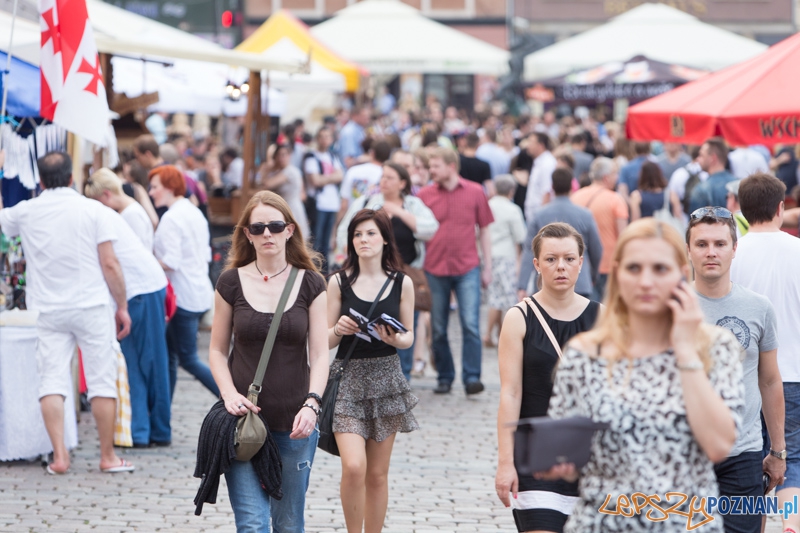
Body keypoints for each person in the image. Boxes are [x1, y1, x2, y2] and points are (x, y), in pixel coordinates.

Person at [542, 218, 744, 532]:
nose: (646, 282)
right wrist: (558, 462)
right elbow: (566, 452)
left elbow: (718, 445)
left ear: (680, 271)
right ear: (619, 273)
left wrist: (686, 352)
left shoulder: (715, 347)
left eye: (660, 269)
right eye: (634, 269)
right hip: (603, 522)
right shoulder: (586, 353)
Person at [0, 151, 134, 474]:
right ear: (72, 178)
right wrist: (123, 305)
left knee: (51, 381)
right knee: (102, 381)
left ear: (41, 181)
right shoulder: (93, 210)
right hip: (91, 305)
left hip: (48, 308)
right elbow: (110, 263)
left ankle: (60, 457)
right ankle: (107, 457)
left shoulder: (27, 211)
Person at [208, 191, 328, 533]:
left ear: (289, 230)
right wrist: (229, 395)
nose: (266, 234)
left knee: (289, 524)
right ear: (247, 233)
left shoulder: (311, 283)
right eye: (257, 228)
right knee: (252, 524)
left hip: (295, 425)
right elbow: (216, 350)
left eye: (275, 226)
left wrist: (313, 404)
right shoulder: (230, 282)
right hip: (243, 425)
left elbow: (320, 354)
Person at [496, 222, 601, 533]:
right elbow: (510, 393)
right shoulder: (519, 317)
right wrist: (505, 462)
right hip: (535, 458)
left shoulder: (601, 317)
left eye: (569, 259)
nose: (561, 267)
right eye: (551, 259)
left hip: (590, 459)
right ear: (537, 265)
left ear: (581, 263)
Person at [686, 206, 784, 533]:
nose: (711, 252)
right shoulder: (666, 308)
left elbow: (769, 380)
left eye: (719, 244)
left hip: (742, 452)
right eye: (701, 244)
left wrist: (778, 450)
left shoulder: (758, 307)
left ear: (734, 249)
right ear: (689, 251)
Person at [327, 209, 418, 533]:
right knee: (354, 466)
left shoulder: (401, 282)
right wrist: (338, 328)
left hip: (386, 377)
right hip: (348, 378)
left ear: (384, 240)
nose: (363, 240)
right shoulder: (338, 281)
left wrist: (396, 337)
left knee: (378, 474)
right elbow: (322, 339)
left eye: (370, 234)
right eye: (357, 235)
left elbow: (408, 336)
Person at [731, 173, 800, 533]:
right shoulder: (797, 251)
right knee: (794, 456)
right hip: (793, 372)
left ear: (741, 209)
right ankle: (791, 523)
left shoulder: (731, 254)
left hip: (744, 376)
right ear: (780, 208)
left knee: (748, 461)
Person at [83, 183, 172, 449]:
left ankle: (142, 431)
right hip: (145, 287)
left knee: (138, 361)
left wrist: (120, 305)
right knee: (149, 361)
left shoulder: (104, 215)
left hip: (138, 290)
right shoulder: (113, 212)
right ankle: (152, 430)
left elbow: (111, 263)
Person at [335, 162, 439, 380]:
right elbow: (345, 230)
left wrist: (400, 213)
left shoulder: (412, 204)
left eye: (390, 178)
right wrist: (354, 252)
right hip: (368, 274)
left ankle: (404, 377)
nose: (384, 182)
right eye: (382, 177)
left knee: (404, 325)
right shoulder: (368, 202)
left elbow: (430, 228)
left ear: (402, 183)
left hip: (406, 272)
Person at [418, 147, 494, 395]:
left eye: (435, 165)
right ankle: (444, 376)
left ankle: (472, 377)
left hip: (467, 265)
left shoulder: (474, 192)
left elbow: (484, 229)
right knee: (438, 326)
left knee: (470, 323)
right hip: (434, 266)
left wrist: (488, 267)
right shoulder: (424, 194)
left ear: (451, 166)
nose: (431, 170)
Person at [150, 165, 219, 400]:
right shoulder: (193, 211)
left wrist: (146, 261)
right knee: (171, 356)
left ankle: (230, 398)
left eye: (155, 187)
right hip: (197, 290)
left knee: (187, 359)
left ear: (169, 188)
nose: (151, 192)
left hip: (183, 296)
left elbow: (171, 261)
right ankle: (162, 417)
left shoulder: (172, 218)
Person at [518, 169, 603, 301]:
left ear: (552, 187)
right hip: (580, 283)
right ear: (571, 186)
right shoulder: (585, 214)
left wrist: (522, 285)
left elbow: (529, 251)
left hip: (546, 284)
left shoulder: (539, 215)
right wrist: (592, 275)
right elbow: (596, 248)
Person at [571, 157, 628, 301]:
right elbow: (624, 236)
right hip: (609, 263)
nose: (617, 178)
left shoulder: (576, 196)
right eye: (615, 174)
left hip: (581, 263)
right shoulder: (615, 199)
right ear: (606, 177)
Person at [484, 174, 527, 348]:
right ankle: (490, 334)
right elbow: (520, 236)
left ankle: (496, 332)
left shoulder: (488, 205)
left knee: (495, 295)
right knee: (505, 297)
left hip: (488, 254)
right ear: (511, 191)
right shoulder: (512, 209)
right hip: (506, 256)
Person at [304, 127, 345, 272]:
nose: (325, 140)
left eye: (328, 136)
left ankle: (324, 272)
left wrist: (325, 179)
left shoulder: (333, 156)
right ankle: (313, 271)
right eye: (322, 136)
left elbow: (340, 175)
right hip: (318, 203)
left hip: (331, 203)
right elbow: (315, 180)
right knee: (317, 240)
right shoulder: (311, 156)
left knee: (326, 241)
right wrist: (332, 178)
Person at [85, 168, 155, 250]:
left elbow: (139, 250)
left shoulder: (133, 214)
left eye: (97, 200)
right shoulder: (128, 211)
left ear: (106, 194)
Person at [259, 144, 310, 239]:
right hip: (284, 207)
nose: (282, 158)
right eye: (279, 155)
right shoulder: (281, 171)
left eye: (284, 155)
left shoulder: (289, 171)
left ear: (289, 156)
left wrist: (267, 169)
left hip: (292, 208)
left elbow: (267, 184)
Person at [689, 138, 737, 213]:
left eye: (701, 155)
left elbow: (695, 222)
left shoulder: (701, 190)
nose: (698, 159)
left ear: (712, 158)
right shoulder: (739, 184)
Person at [524, 132, 557, 221]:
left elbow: (547, 192)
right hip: (534, 216)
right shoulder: (539, 162)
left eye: (531, 142)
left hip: (539, 218)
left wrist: (542, 220)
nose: (528, 146)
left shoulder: (547, 164)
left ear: (540, 145)